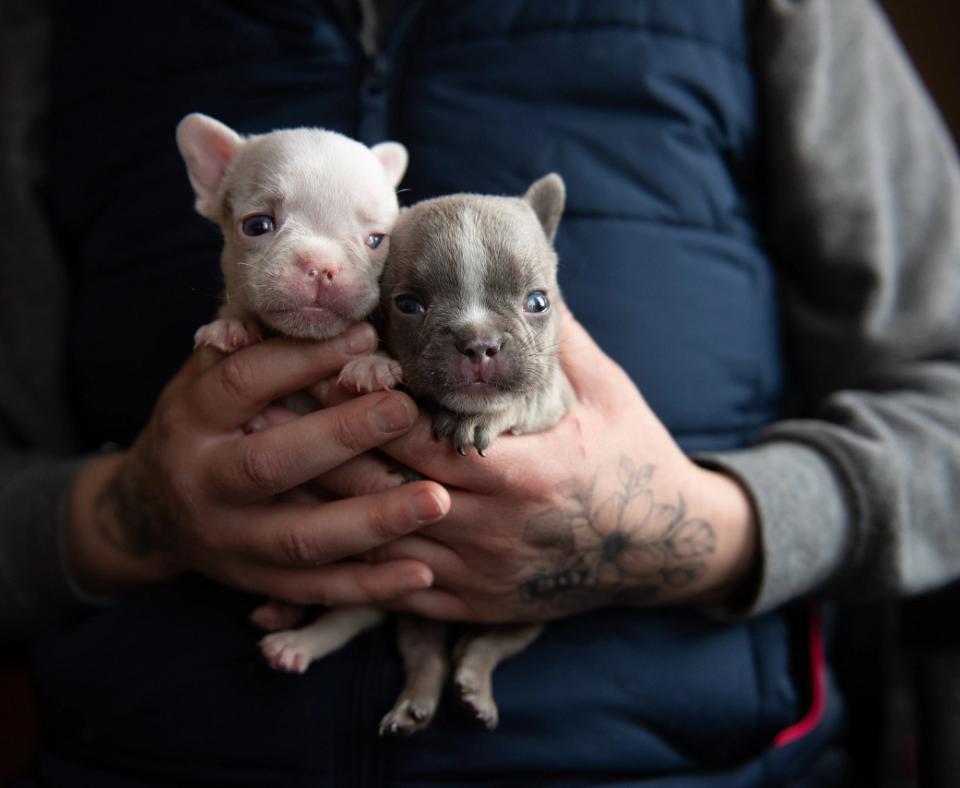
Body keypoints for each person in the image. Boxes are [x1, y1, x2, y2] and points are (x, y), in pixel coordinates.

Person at [3, 0, 960, 785]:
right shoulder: (48, 33)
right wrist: (127, 514)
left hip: (690, 760)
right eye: (260, 222)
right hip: (150, 753)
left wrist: (708, 529)